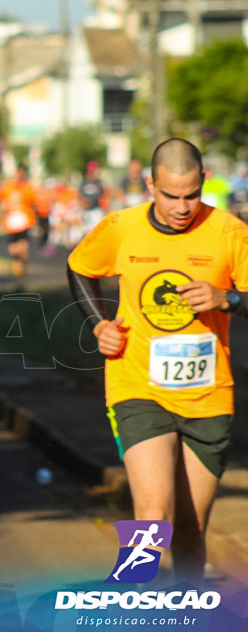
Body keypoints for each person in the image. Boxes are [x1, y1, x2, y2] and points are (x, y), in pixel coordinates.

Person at [68, 138, 248, 586]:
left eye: (191, 195)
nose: (183, 207)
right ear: (151, 185)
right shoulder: (120, 226)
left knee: (190, 527)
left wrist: (228, 298)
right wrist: (98, 323)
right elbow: (79, 266)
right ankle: (131, 602)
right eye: (171, 195)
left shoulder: (230, 233)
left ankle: (185, 609)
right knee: (153, 515)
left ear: (203, 182)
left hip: (207, 395)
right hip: (138, 386)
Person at [0, 164, 38, 279]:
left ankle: (22, 267)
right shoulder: (6, 188)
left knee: (23, 246)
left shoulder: (28, 188)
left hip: (24, 221)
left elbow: (33, 204)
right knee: (13, 249)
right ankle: (18, 263)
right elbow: (1, 203)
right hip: (10, 223)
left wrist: (34, 220)